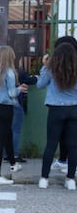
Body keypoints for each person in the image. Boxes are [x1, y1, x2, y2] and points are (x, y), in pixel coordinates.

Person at [37, 42, 77, 190]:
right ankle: (71, 179)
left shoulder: (50, 68)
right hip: (74, 109)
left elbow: (40, 84)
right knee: (73, 146)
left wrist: (44, 66)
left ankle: (44, 178)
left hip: (55, 109)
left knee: (51, 144)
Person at [0, 45, 27, 185]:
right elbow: (11, 93)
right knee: (0, 141)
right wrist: (20, 89)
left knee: (6, 134)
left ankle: (13, 163)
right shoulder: (9, 72)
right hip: (5, 107)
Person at [50, 36, 77, 173]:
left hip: (60, 106)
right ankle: (64, 162)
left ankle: (65, 162)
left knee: (64, 137)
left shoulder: (58, 66)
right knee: (69, 138)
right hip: (72, 106)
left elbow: (41, 83)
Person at [11, 69, 37, 163]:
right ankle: (14, 154)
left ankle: (6, 153)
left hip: (4, 105)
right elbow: (33, 81)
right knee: (16, 130)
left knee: (7, 130)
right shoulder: (18, 73)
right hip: (16, 103)